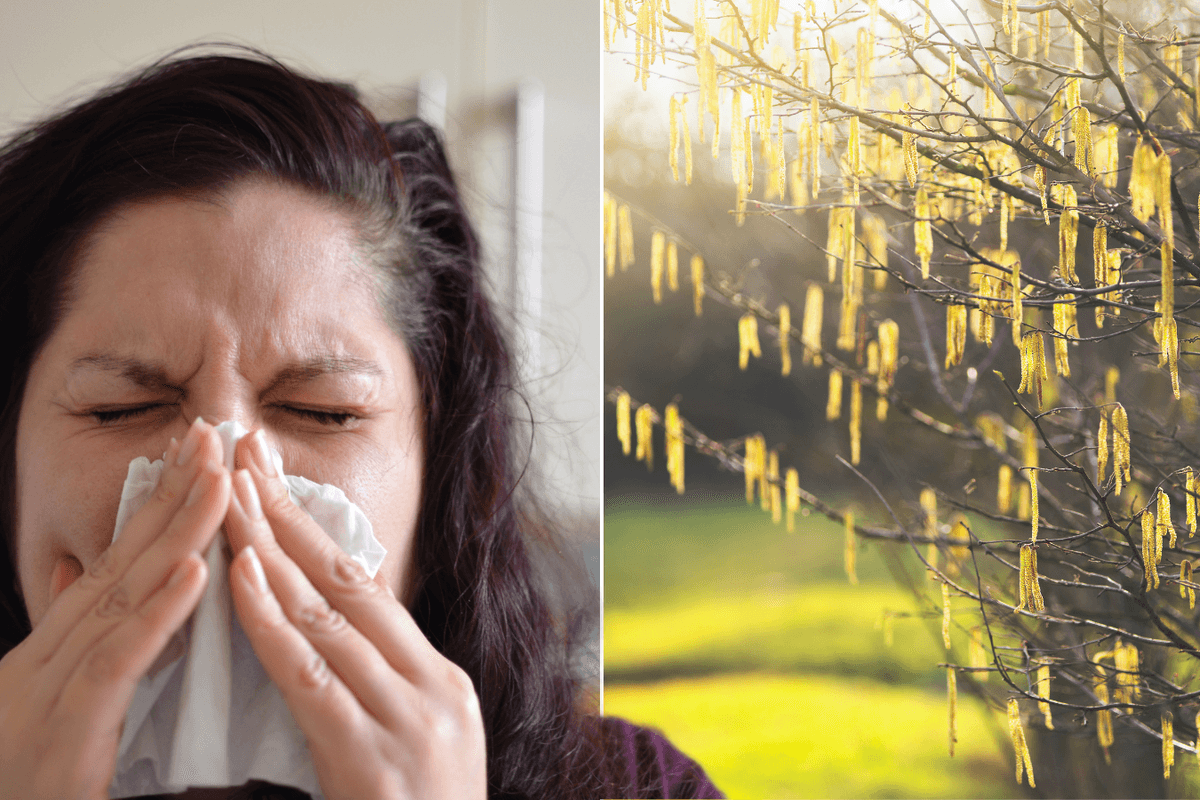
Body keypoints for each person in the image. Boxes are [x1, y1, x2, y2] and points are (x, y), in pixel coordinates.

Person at [0, 49, 723, 799]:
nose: (217, 490)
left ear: (436, 470)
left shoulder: (635, 787)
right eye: (122, 408)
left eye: (324, 412)